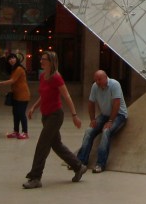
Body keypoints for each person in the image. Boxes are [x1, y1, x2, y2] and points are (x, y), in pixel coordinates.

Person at [23, 51, 87, 189]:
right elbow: (43, 95)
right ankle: (78, 166)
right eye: (41, 58)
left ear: (51, 62)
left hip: (55, 116)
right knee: (56, 145)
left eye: (44, 59)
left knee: (42, 145)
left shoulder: (56, 77)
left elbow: (67, 96)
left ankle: (35, 177)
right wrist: (34, 107)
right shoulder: (42, 76)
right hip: (45, 116)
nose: (41, 61)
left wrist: (74, 115)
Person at [76, 69, 129, 173]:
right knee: (89, 131)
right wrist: (92, 119)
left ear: (106, 77)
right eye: (96, 80)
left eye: (99, 79)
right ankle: (81, 161)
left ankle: (100, 164)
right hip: (105, 115)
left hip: (119, 115)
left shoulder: (114, 84)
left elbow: (116, 104)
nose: (97, 82)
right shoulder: (95, 86)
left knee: (106, 131)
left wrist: (110, 121)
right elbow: (91, 103)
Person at [0, 52, 31, 139]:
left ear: (16, 59)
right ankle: (16, 131)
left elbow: (12, 80)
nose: (11, 60)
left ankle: (25, 132)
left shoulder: (19, 69)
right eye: (10, 59)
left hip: (23, 95)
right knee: (15, 113)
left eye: (13, 58)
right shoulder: (13, 69)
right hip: (16, 94)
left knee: (21, 114)